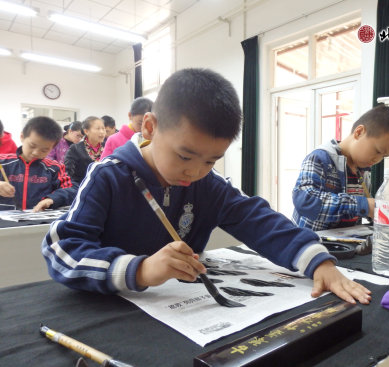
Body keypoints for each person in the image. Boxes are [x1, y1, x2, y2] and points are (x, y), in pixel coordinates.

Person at [42, 68, 371, 305]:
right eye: (185, 155)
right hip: (111, 312)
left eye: (212, 160)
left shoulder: (206, 185)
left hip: (183, 313)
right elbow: (63, 250)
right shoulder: (108, 176)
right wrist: (140, 269)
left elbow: (257, 219)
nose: (194, 172)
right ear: (151, 127)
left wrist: (318, 261)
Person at [292, 105, 389, 231]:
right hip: (311, 242)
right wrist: (364, 205)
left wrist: (381, 213)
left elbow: (360, 211)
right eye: (377, 151)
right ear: (359, 133)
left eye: (384, 156)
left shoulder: (363, 170)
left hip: (344, 244)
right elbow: (305, 200)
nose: (377, 160)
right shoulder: (320, 158)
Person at [0, 116, 77, 211]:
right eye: (32, 146)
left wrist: (51, 199)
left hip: (38, 221)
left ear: (52, 147)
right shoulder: (3, 163)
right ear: (22, 137)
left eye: (44, 150)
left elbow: (71, 190)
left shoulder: (54, 167)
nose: (36, 152)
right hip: (5, 223)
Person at [64, 116, 106, 184]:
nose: (102, 132)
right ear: (86, 131)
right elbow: (67, 173)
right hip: (80, 189)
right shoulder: (75, 149)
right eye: (98, 129)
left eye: (103, 128)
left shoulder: (107, 147)